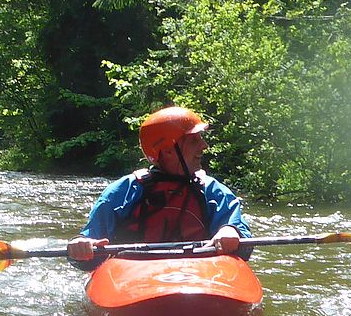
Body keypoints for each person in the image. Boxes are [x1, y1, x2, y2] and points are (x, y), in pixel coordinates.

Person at [68, 106, 250, 264]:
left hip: (198, 273)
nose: (204, 145)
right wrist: (82, 245)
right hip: (132, 275)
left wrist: (231, 231)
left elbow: (237, 229)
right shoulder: (123, 192)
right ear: (169, 150)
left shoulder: (212, 191)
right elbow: (92, 238)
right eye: (194, 139)